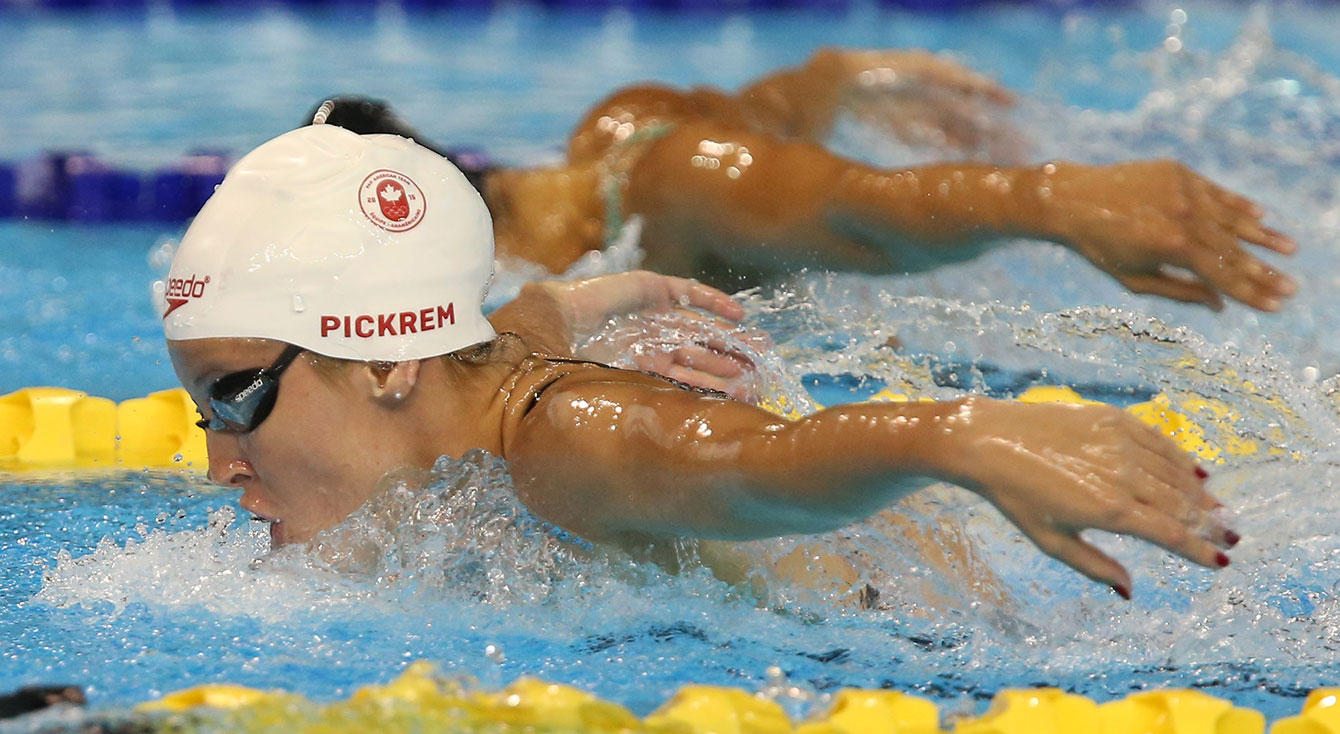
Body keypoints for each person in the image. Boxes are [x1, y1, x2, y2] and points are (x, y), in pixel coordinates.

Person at [166, 125, 1236, 603]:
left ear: (386, 358)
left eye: (234, 397)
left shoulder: (565, 443)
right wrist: (576, 299)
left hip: (959, 654)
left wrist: (959, 434)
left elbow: (753, 464)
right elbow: (515, 327)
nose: (220, 463)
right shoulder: (471, 382)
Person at [307, 47, 1297, 313]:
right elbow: (780, 108)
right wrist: (851, 75)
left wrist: (1055, 199)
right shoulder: (612, 130)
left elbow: (868, 217)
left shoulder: (673, 184)